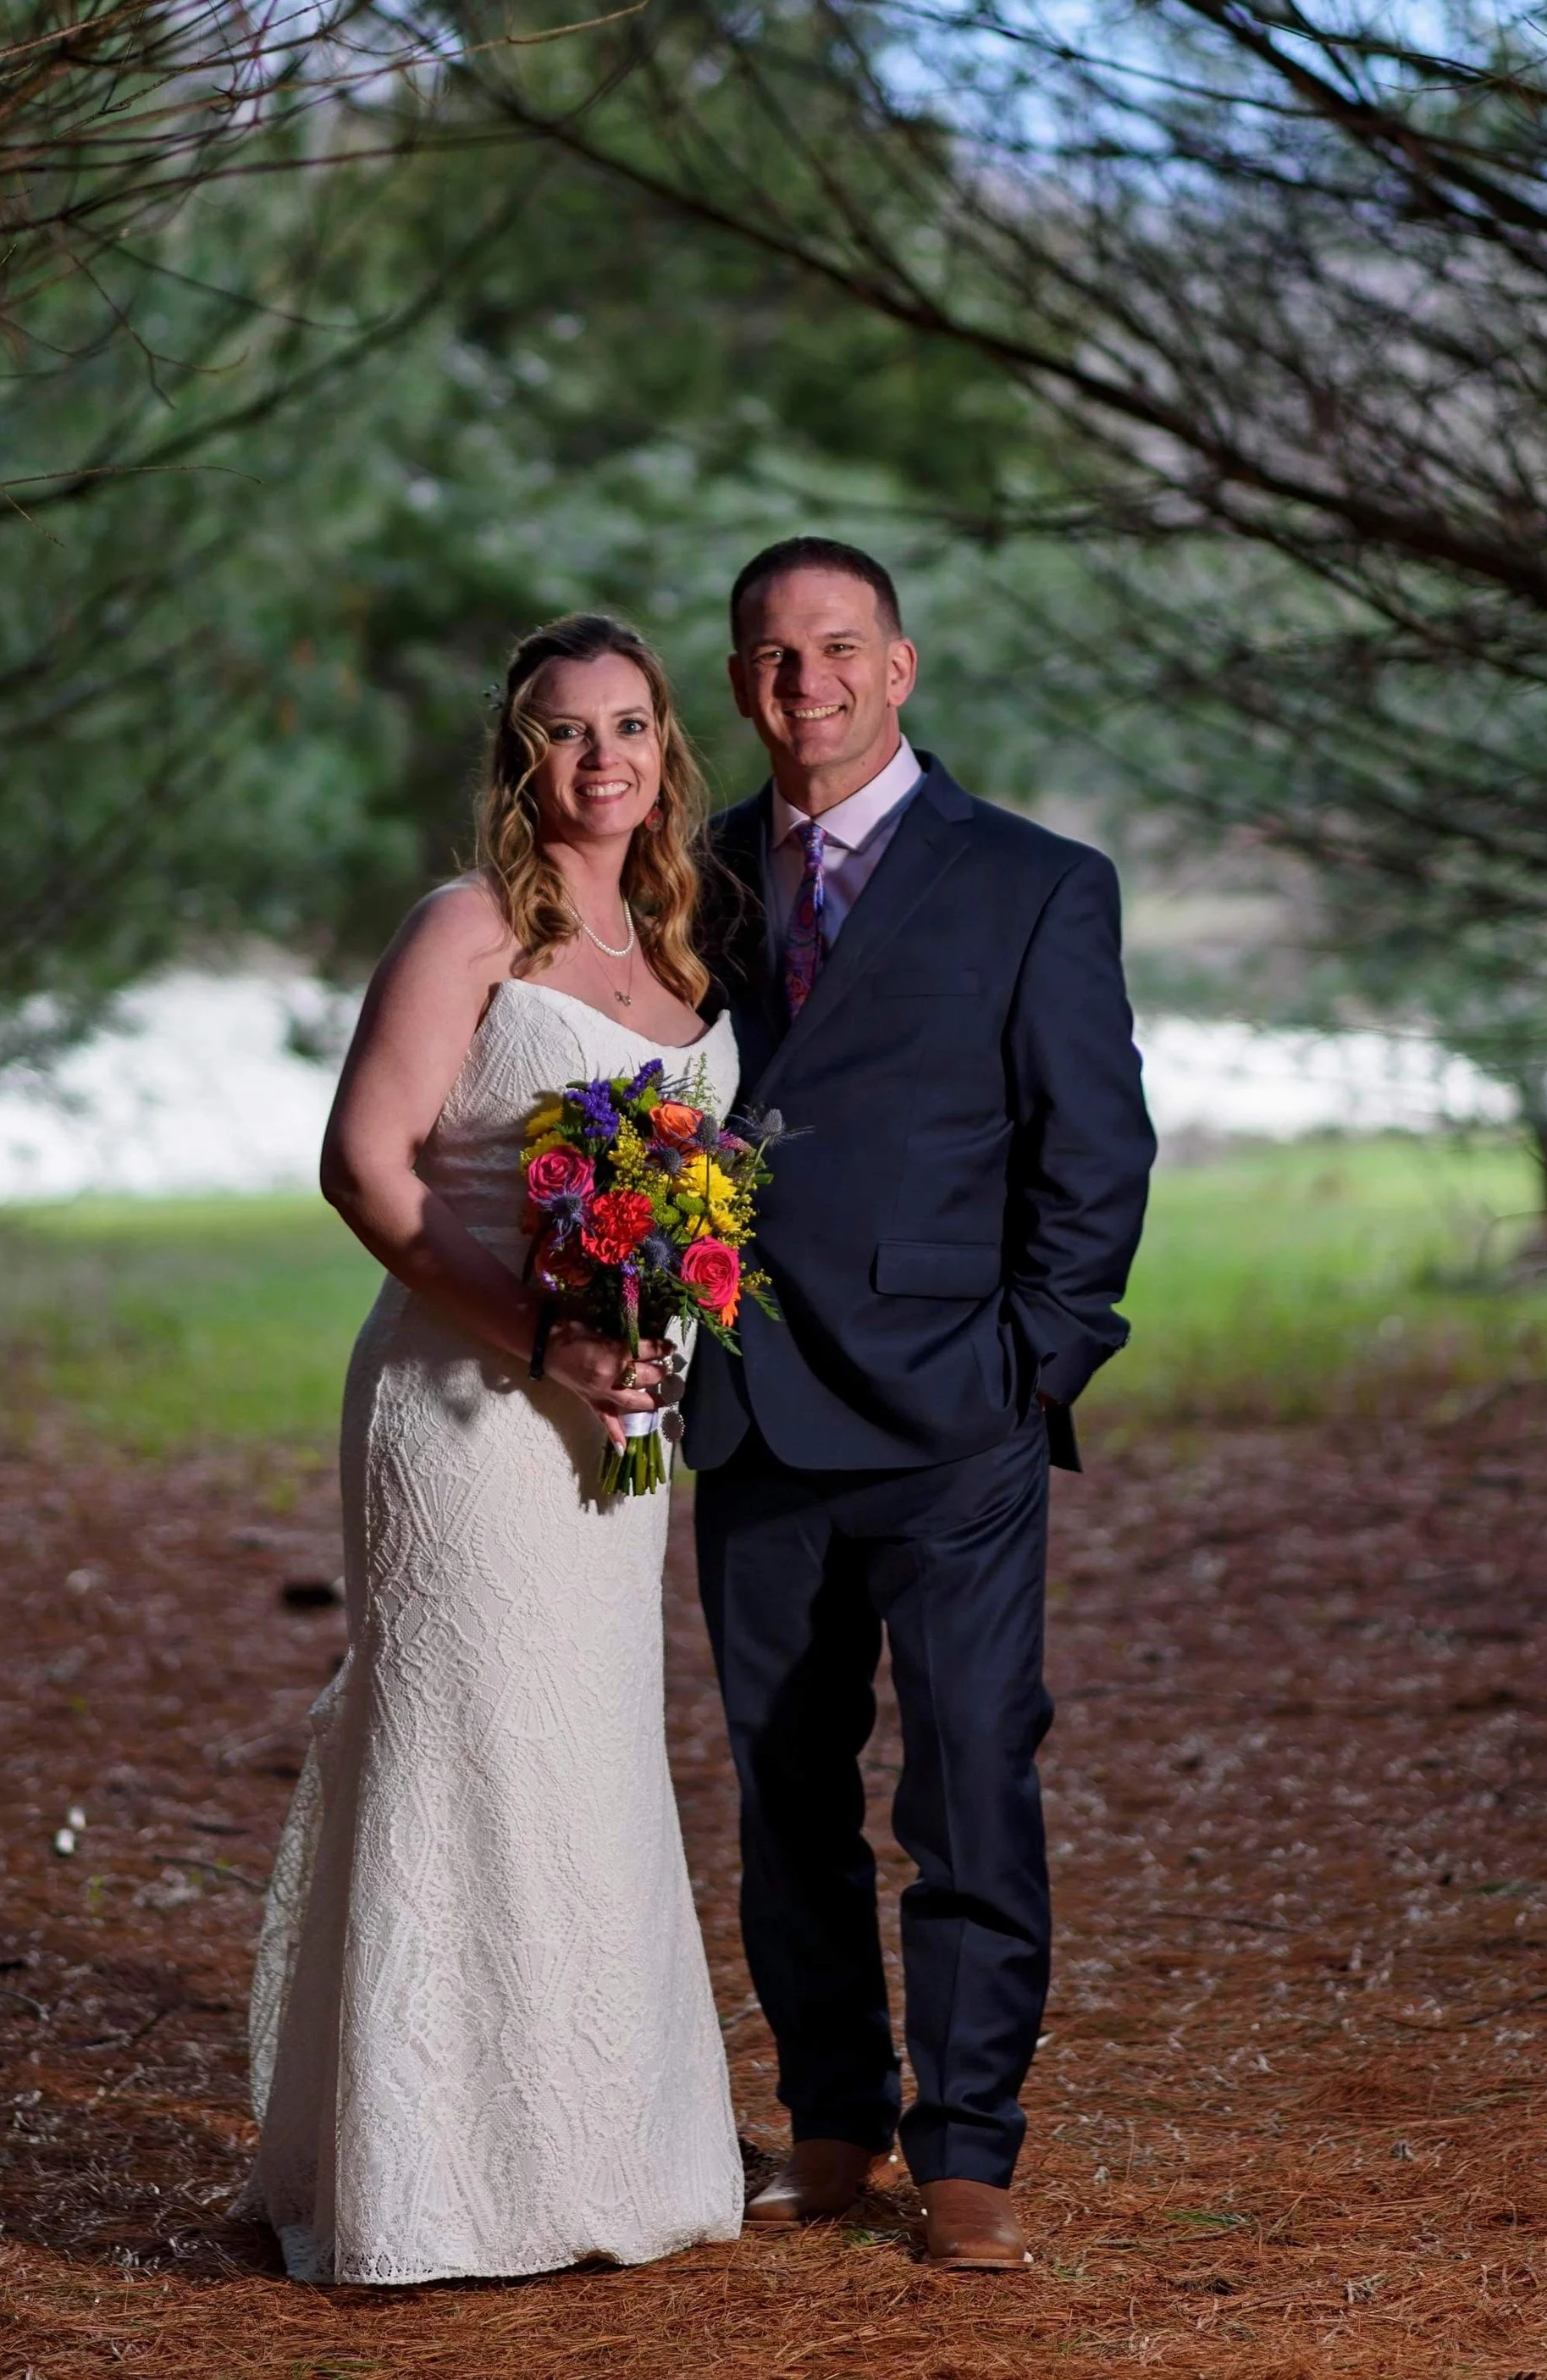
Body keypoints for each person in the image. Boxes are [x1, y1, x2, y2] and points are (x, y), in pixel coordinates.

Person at [248, 614, 744, 2286]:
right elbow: (363, 1167)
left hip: (613, 1421)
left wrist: (644, 1326)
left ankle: (596, 2148)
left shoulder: (681, 950)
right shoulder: (464, 930)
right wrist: (543, 1336)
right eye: (560, 731)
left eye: (625, 727)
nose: (597, 760)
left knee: (589, 1752)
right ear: (515, 758)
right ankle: (430, 2181)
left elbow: (684, 1185)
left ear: (665, 749)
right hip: (460, 1418)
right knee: (465, 1752)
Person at [686, 538, 1156, 2272]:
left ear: (898, 667)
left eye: (833, 647)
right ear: (738, 686)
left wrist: (1029, 1363)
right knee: (783, 1786)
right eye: (766, 654)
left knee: (966, 1777)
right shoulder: (692, 874)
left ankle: (968, 2153)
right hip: (747, 1410)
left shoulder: (1032, 882)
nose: (799, 680)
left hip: (953, 1414)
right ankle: (831, 2121)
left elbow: (1093, 1156)